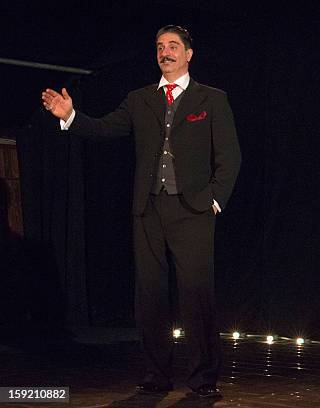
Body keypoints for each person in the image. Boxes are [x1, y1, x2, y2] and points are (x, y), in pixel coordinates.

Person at [42, 25, 241, 398]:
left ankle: (202, 378)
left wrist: (214, 199)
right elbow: (103, 129)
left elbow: (229, 157)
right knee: (149, 294)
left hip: (194, 209)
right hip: (148, 208)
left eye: (173, 47)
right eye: (160, 47)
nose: (165, 52)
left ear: (188, 54)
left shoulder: (211, 99)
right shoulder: (139, 99)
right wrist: (70, 116)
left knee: (196, 295)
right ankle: (156, 375)